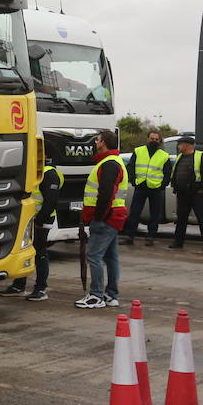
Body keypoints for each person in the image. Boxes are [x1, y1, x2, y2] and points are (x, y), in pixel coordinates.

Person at [76, 130, 128, 308]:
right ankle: (111, 295)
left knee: (93, 255)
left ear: (102, 143)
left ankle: (96, 295)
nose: (94, 142)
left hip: (107, 218)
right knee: (111, 257)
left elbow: (106, 194)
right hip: (113, 216)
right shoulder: (113, 161)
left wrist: (98, 217)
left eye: (96, 139)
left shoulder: (109, 164)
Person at [0, 158, 62, 301]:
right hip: (30, 219)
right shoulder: (36, 170)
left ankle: (41, 288)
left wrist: (40, 220)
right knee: (24, 252)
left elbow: (51, 201)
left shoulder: (50, 173)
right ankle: (19, 285)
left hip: (41, 220)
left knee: (40, 252)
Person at [123, 132, 170, 246]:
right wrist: (133, 181)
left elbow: (168, 172)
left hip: (155, 188)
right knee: (134, 213)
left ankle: (151, 237)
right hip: (141, 186)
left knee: (155, 214)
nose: (154, 140)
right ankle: (129, 236)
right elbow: (131, 167)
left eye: (156, 139)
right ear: (147, 139)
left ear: (159, 141)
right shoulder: (138, 151)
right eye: (152, 138)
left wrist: (162, 185)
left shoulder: (164, 155)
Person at [168, 136, 203, 252]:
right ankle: (178, 242)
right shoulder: (180, 157)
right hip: (182, 194)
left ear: (187, 145)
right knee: (181, 219)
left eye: (180, 144)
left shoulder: (200, 156)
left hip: (196, 194)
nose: (178, 147)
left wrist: (199, 188)